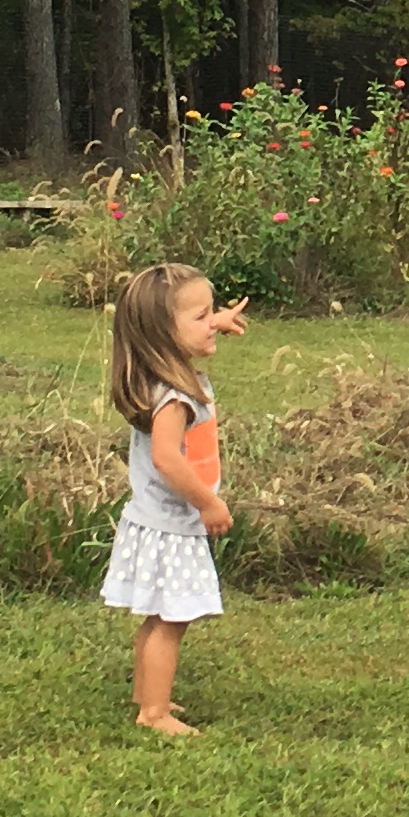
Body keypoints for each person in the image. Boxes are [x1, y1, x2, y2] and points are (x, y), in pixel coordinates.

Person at [101, 260, 244, 737]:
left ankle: (147, 694)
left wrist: (214, 321)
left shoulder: (161, 376)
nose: (213, 322)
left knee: (158, 615)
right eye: (202, 316)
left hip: (152, 519)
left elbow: (182, 328)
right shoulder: (176, 398)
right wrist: (208, 503)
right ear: (165, 333)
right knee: (172, 620)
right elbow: (167, 458)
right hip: (171, 524)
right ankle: (154, 713)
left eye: (212, 312)